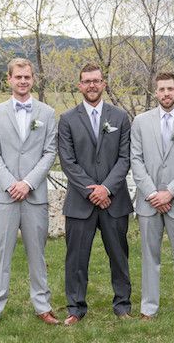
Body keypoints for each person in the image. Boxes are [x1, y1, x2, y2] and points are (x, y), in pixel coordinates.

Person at [0, 58, 59, 330]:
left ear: (33, 79)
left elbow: (50, 152)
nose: (23, 81)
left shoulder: (47, 113)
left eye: (27, 77)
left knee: (37, 254)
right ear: (9, 79)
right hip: (6, 197)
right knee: (1, 254)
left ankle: (42, 306)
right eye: (18, 77)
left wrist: (27, 183)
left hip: (34, 196)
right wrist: (10, 183)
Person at [57, 63, 133, 325]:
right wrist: (92, 190)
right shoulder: (67, 119)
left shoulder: (120, 117)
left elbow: (125, 159)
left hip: (114, 200)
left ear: (104, 84)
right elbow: (67, 161)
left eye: (96, 81)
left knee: (119, 257)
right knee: (76, 259)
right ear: (80, 85)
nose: (91, 85)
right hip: (81, 202)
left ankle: (122, 304)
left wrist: (106, 188)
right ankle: (75, 308)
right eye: (86, 81)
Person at [130, 72, 174, 325]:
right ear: (155, 92)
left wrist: (170, 192)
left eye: (169, 89)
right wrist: (152, 194)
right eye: (161, 90)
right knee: (150, 257)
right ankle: (148, 308)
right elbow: (136, 160)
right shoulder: (140, 122)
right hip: (148, 202)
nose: (165, 94)